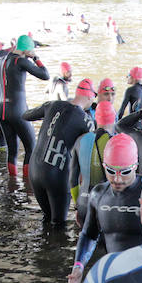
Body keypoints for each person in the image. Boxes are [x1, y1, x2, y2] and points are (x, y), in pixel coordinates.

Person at [67, 134, 142, 283]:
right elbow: (89, 234)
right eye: (111, 171)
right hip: (113, 276)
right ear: (104, 166)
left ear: (135, 166)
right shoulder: (98, 193)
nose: (117, 179)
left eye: (124, 172)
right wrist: (78, 266)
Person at [24, 79, 96, 225]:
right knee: (59, 225)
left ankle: (43, 246)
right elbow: (92, 150)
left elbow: (25, 116)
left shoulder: (52, 104)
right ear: (90, 97)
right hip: (56, 175)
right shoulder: (87, 121)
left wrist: (49, 116)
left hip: (34, 170)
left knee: (46, 218)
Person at [1, 34, 49, 177]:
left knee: (12, 150)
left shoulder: (5, 60)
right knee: (31, 147)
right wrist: (35, 58)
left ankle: (13, 184)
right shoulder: (20, 61)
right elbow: (45, 75)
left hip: (2, 110)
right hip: (17, 109)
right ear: (26, 50)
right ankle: (28, 185)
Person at [70, 100, 117, 227]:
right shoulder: (116, 143)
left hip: (83, 203)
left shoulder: (80, 140)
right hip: (105, 205)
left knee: (84, 241)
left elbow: (72, 179)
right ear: (114, 117)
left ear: (96, 117)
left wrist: (77, 206)